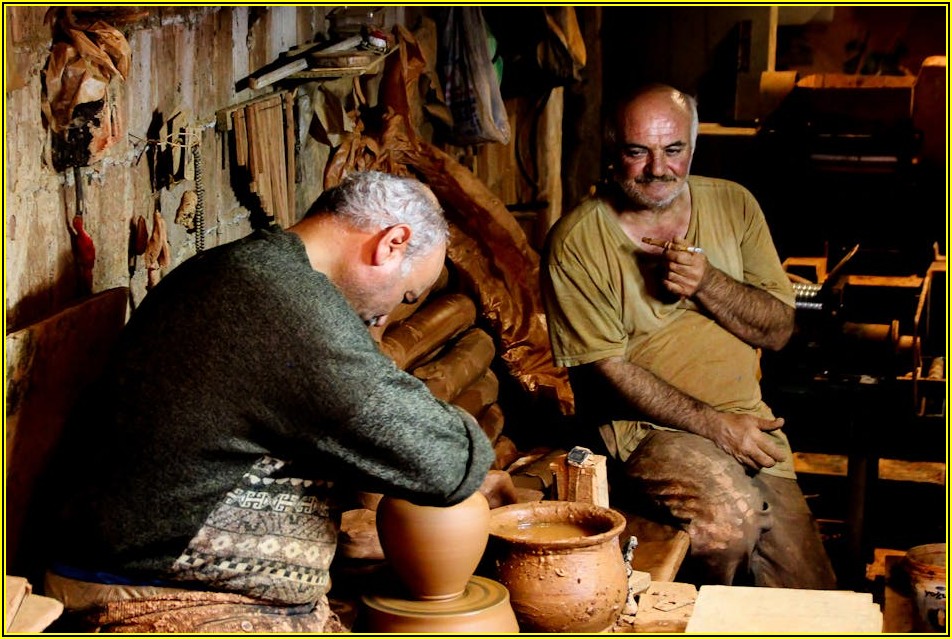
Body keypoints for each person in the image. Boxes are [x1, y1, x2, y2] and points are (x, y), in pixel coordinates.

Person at [42, 170, 515, 632]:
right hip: (144, 591)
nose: (385, 315)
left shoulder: (250, 269)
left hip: (161, 569)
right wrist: (472, 458)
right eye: (407, 293)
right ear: (390, 242)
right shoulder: (282, 304)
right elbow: (445, 461)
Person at [540, 84, 837, 589]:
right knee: (731, 527)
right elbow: (608, 372)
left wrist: (708, 284)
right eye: (639, 152)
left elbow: (780, 329)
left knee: (811, 592)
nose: (659, 169)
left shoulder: (735, 205)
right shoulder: (578, 241)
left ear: (692, 149)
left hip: (752, 425)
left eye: (674, 150)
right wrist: (718, 428)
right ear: (613, 152)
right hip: (649, 433)